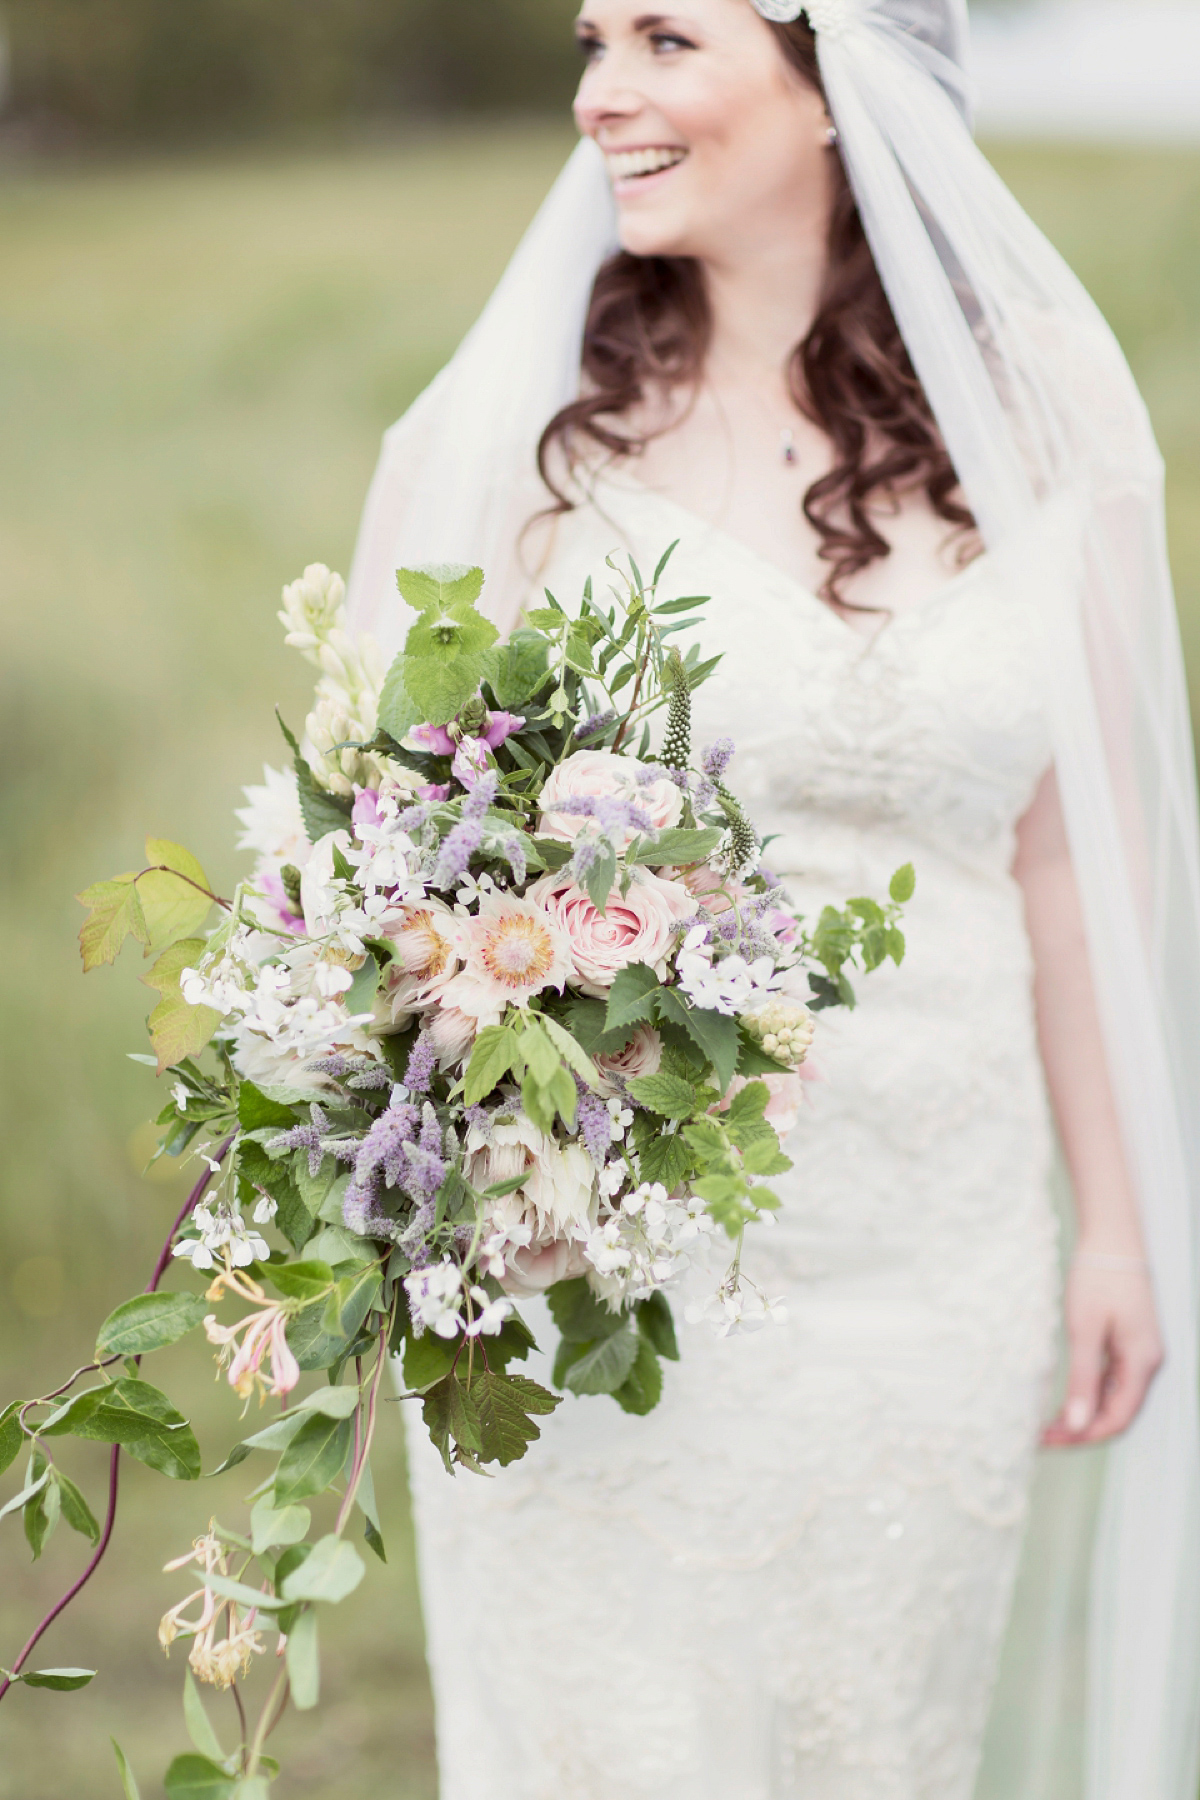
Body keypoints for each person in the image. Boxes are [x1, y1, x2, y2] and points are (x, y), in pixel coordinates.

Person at [346, 3, 1200, 1795]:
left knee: (874, 1743)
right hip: (598, 1261)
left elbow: (1072, 857)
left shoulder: (1044, 403)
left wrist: (1116, 1221)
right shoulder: (531, 436)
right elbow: (385, 846)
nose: (604, 92)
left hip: (939, 1256)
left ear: (837, 82)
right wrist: (483, 1155)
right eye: (594, 39)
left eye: (671, 37)